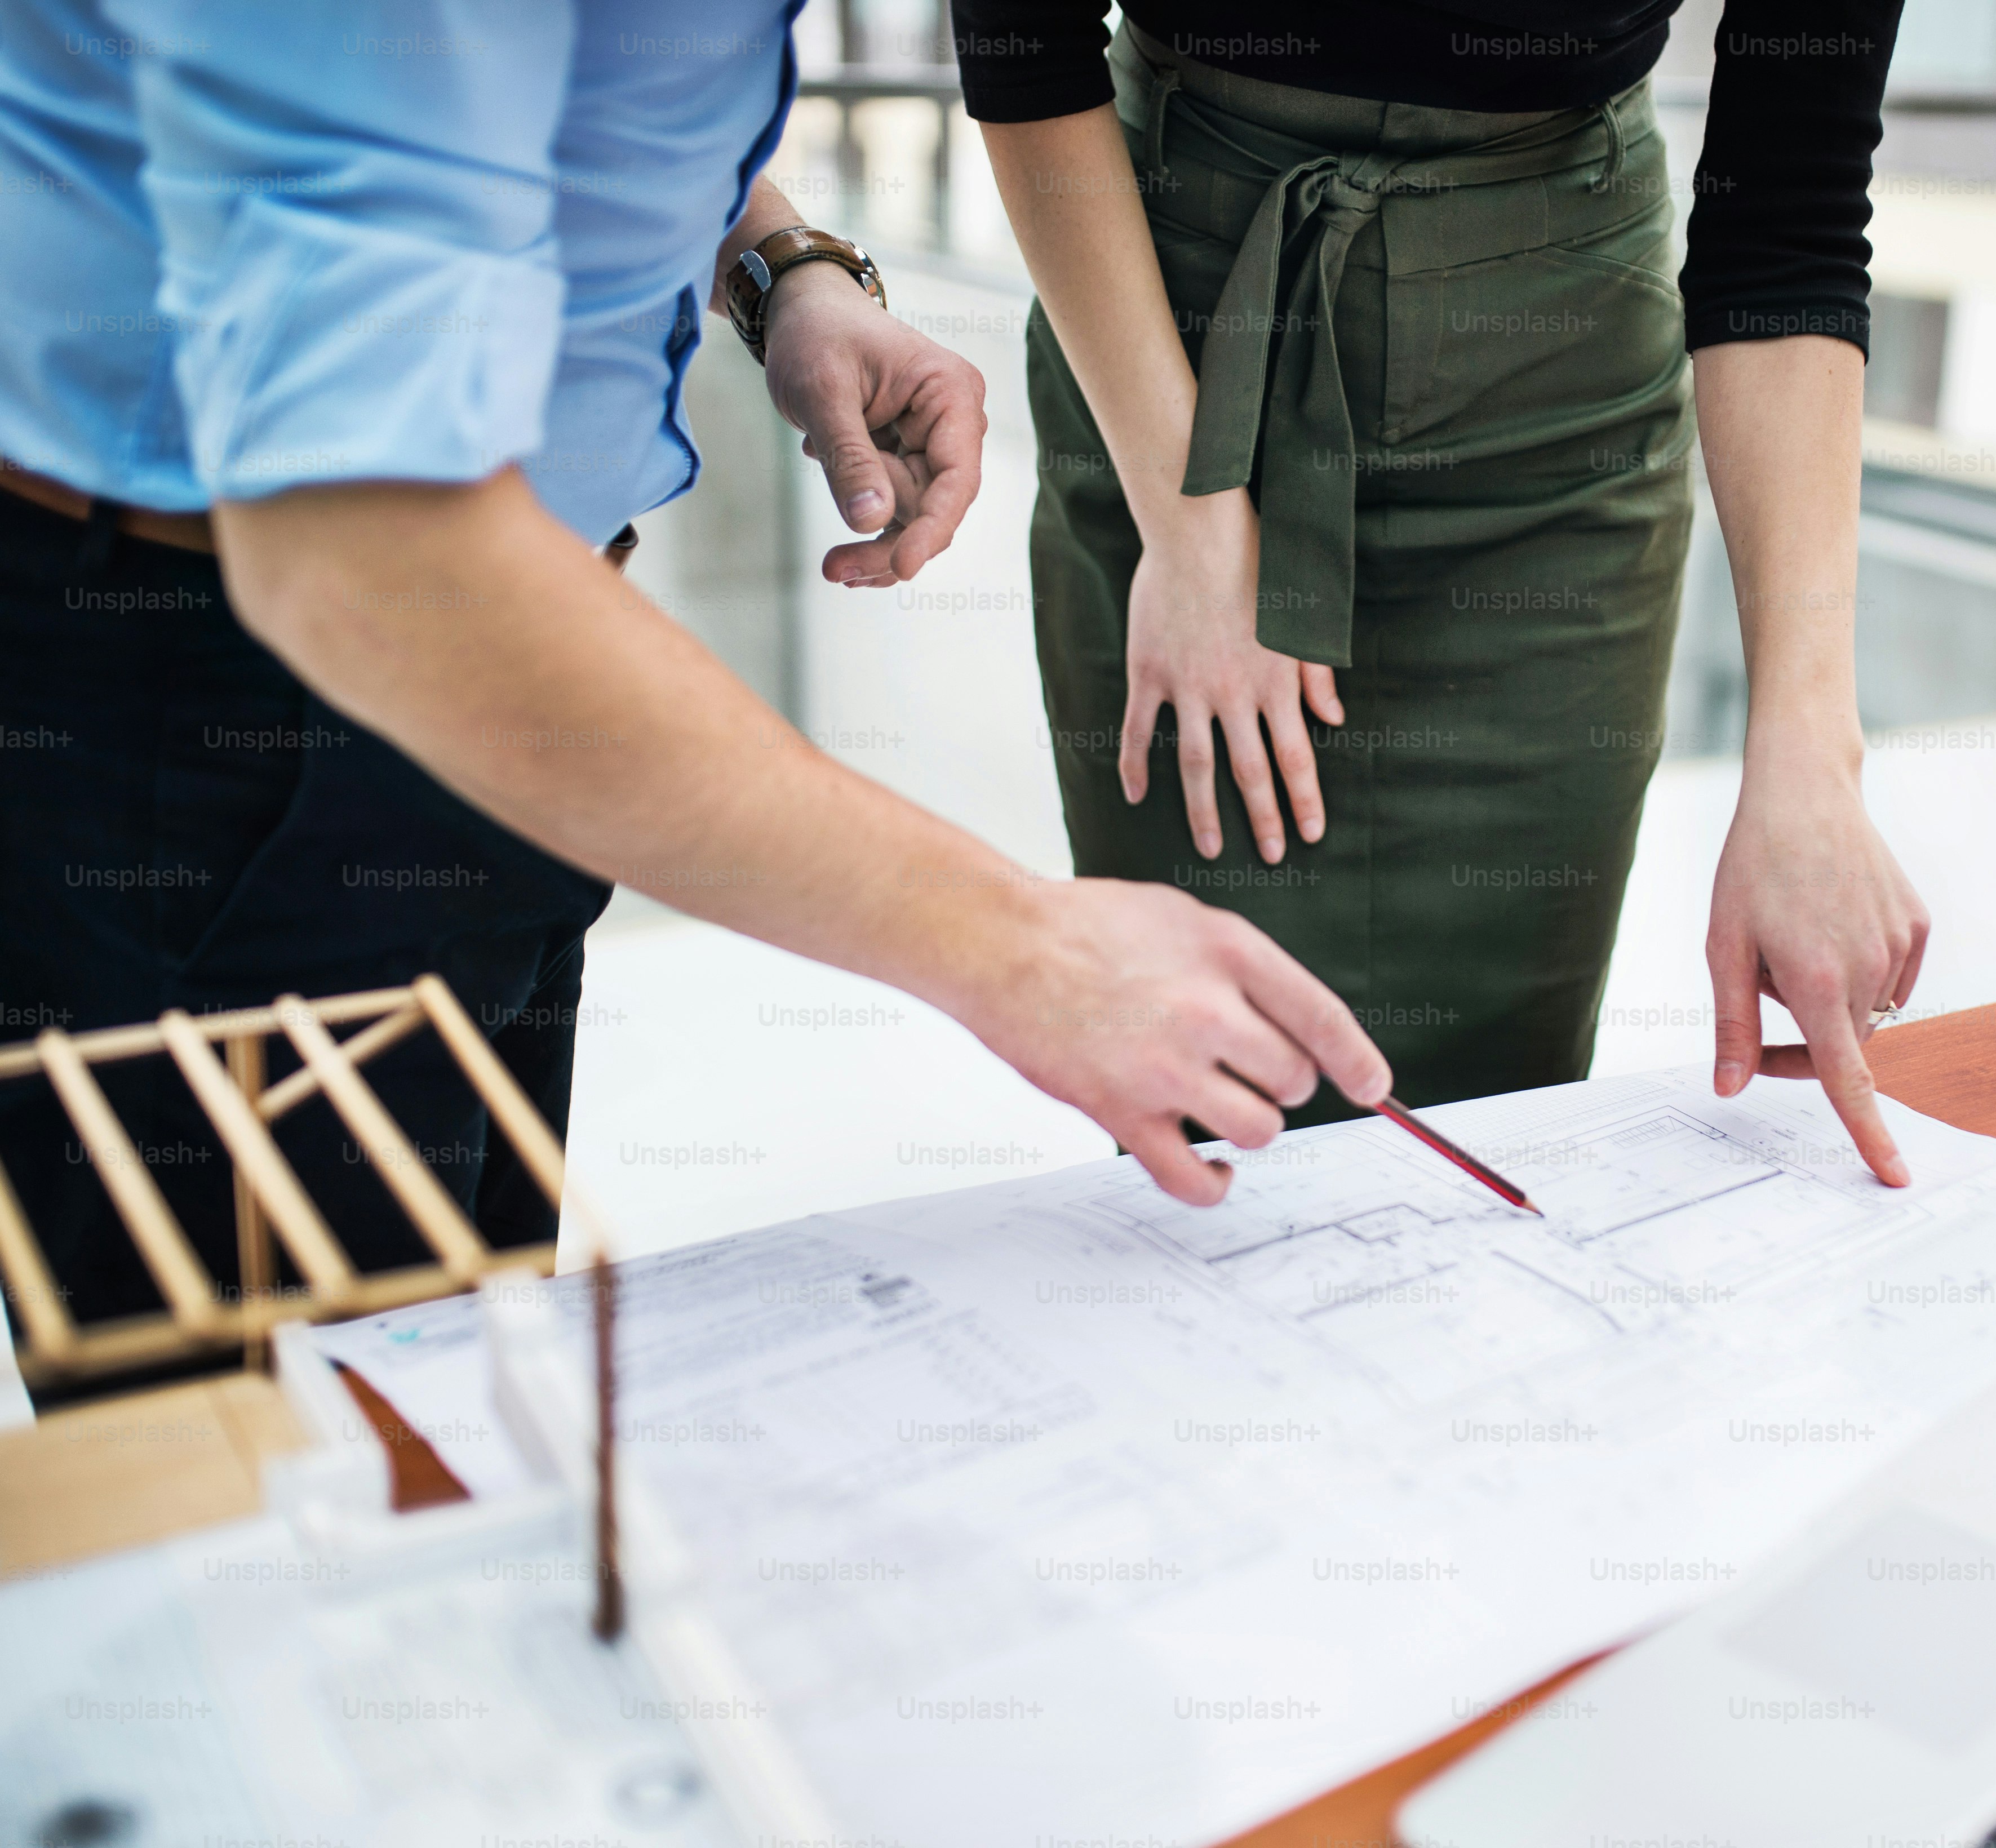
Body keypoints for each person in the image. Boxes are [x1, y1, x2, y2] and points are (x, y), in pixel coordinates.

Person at [0, 5, 1388, 1327]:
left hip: (505, 679)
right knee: (307, 1491)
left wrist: (777, 263)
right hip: (224, 703)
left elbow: (538, 84)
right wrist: (1023, 950)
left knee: (474, 1387)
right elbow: (366, 547)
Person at [957, 1, 1931, 1184]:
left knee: (1495, 1120)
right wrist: (1192, 527)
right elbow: (1020, 34)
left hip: (1551, 416)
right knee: (1216, 1105)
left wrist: (1808, 757)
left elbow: (1791, 217)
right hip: (1180, 351)